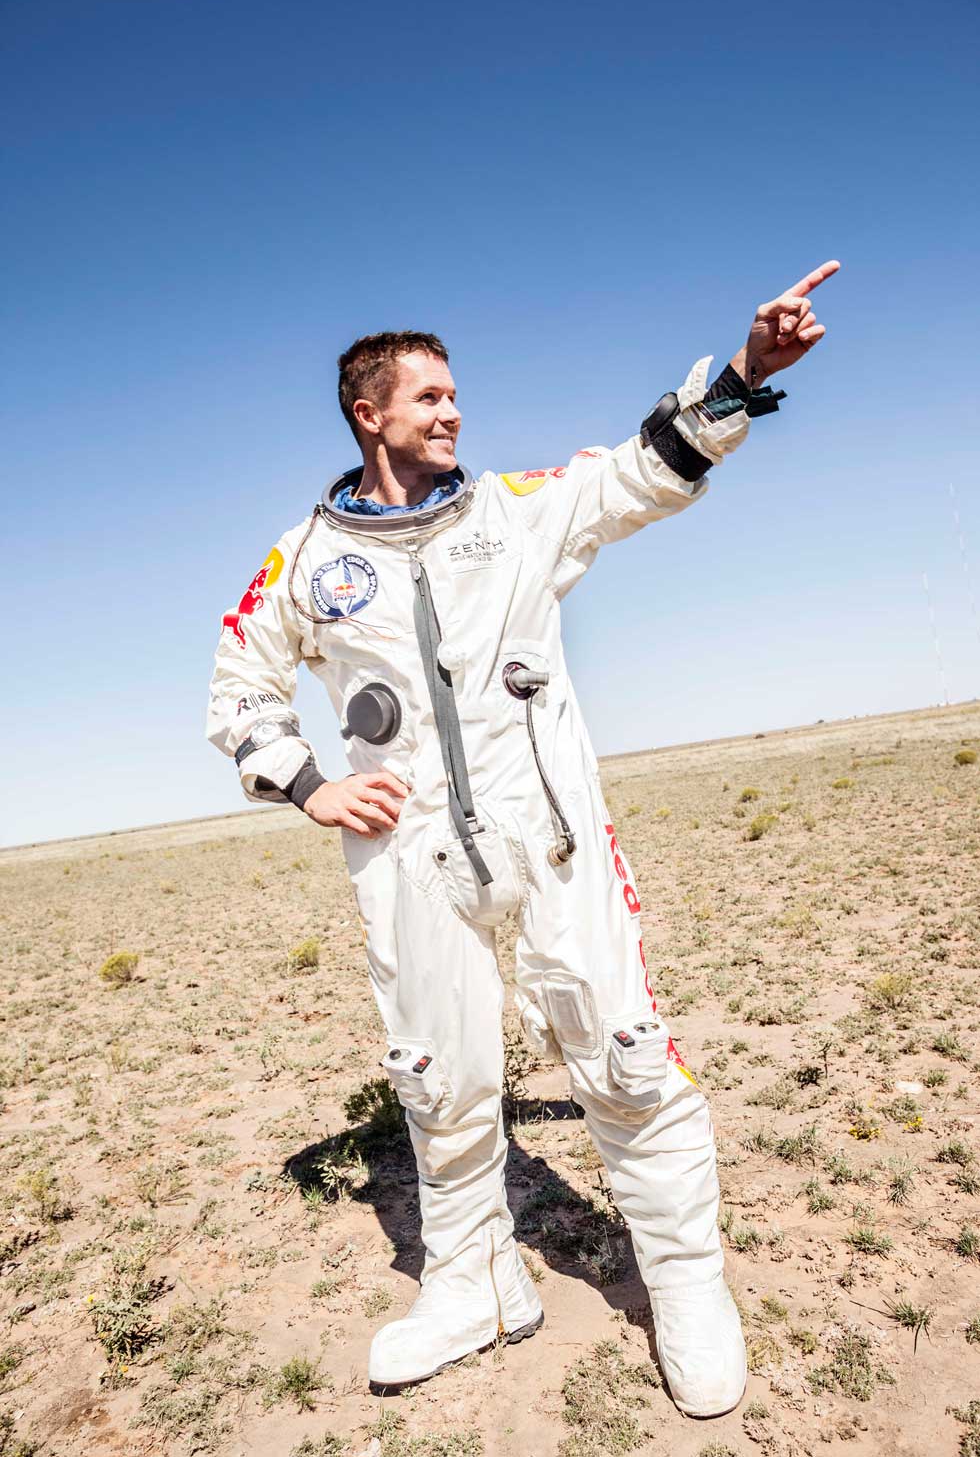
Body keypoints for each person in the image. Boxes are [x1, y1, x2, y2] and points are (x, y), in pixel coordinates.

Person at [206, 261, 839, 1415]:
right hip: (409, 857)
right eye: (429, 397)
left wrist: (745, 372)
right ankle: (475, 1285)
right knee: (438, 1078)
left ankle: (683, 1280)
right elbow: (239, 678)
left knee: (624, 1052)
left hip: (549, 835)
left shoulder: (514, 510)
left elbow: (640, 471)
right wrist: (306, 784)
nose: (453, 411)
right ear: (369, 414)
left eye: (455, 394)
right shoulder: (306, 560)